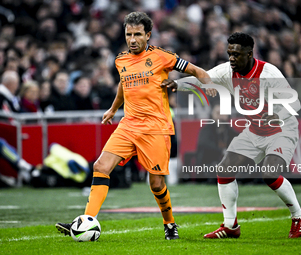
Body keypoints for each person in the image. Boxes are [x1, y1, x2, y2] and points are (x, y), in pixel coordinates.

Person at [55, 11, 213, 240]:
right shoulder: (121, 60)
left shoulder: (162, 57)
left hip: (156, 127)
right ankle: (86, 220)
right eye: (129, 34)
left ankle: (169, 224)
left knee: (157, 184)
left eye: (138, 34)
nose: (132, 39)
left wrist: (208, 87)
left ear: (148, 35)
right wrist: (112, 109)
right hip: (129, 124)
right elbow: (123, 85)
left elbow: (196, 71)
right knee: (100, 166)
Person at [164, 32, 301, 239]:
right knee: (224, 170)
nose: (232, 58)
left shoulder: (269, 73)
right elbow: (203, 78)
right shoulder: (227, 70)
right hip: (254, 130)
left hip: (281, 129)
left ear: (249, 54)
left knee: (269, 173)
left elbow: (295, 104)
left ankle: (299, 215)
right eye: (230, 53)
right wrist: (178, 85)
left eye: (237, 55)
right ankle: (231, 226)